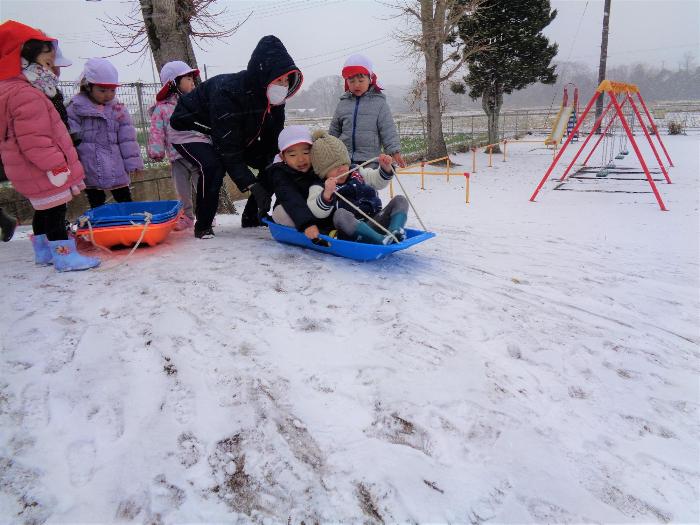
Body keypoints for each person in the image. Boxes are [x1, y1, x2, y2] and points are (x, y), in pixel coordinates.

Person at [170, 35, 303, 238]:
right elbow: (229, 151)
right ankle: (203, 225)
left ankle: (253, 216)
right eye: (278, 79)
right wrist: (253, 185)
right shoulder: (229, 93)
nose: (283, 85)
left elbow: (272, 143)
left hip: (231, 134)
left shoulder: (275, 100)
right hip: (189, 129)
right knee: (213, 166)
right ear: (263, 74)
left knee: (272, 161)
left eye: (287, 80)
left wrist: (278, 174)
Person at [0, 20, 99, 271]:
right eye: (46, 52)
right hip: (43, 168)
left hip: (30, 168)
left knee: (43, 211)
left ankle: (44, 252)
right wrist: (56, 166)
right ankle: (65, 256)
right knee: (55, 211)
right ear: (26, 53)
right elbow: (35, 138)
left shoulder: (13, 88)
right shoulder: (25, 93)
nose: (52, 59)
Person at [67, 58, 143, 209]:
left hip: (116, 165)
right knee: (96, 202)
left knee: (124, 198)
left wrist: (133, 163)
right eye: (102, 90)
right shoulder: (76, 108)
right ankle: (101, 228)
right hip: (90, 166)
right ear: (89, 87)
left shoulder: (118, 109)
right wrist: (73, 168)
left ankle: (130, 225)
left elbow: (127, 139)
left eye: (112, 90)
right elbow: (70, 141)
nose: (108, 95)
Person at [307, 130, 408, 244]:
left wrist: (385, 169)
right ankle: (381, 240)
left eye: (344, 163)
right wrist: (326, 194)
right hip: (349, 230)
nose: (342, 169)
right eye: (334, 167)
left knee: (400, 200)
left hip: (373, 221)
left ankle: (395, 231)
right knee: (340, 214)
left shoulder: (356, 172)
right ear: (322, 171)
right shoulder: (319, 186)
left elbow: (376, 180)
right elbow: (316, 211)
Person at [148, 60, 210, 230]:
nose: (192, 83)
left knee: (204, 188)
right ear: (173, 83)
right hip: (177, 158)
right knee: (182, 191)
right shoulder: (162, 109)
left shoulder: (196, 104)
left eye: (192, 79)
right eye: (188, 79)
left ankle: (206, 216)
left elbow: (206, 126)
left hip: (198, 156)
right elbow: (156, 131)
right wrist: (156, 151)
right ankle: (187, 217)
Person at [329, 54, 405, 169]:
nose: (356, 85)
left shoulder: (379, 104)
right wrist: (328, 148)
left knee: (366, 186)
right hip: (344, 160)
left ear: (370, 79)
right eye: (351, 81)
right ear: (346, 82)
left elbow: (388, 129)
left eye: (360, 80)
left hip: (370, 160)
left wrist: (394, 151)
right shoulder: (343, 104)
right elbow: (334, 130)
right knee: (346, 187)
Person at [269, 125, 321, 240]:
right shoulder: (280, 174)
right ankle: (316, 231)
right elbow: (290, 198)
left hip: (317, 210)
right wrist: (307, 223)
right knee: (280, 212)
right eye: (292, 155)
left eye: (306, 152)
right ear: (283, 157)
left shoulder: (317, 167)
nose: (301, 159)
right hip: (294, 213)